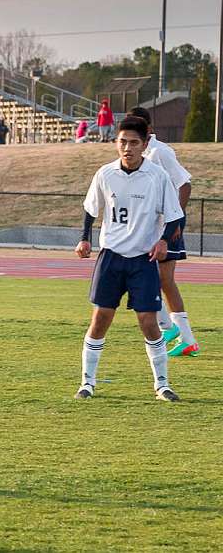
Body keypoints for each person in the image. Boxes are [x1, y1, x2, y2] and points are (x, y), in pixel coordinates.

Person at [73, 115, 184, 402]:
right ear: (115, 142)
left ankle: (162, 385)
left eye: (134, 143)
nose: (128, 148)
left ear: (145, 144)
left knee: (149, 322)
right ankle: (87, 383)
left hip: (142, 260)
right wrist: (85, 237)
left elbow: (174, 217)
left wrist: (162, 240)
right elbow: (91, 208)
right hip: (111, 257)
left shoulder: (157, 177)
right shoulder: (105, 173)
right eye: (123, 142)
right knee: (100, 319)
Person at [127, 107, 199, 357]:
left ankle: (170, 328)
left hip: (169, 224)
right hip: (153, 224)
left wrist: (174, 221)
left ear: (147, 129)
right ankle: (182, 335)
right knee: (160, 281)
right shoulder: (141, 154)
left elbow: (185, 184)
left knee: (158, 280)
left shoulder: (160, 152)